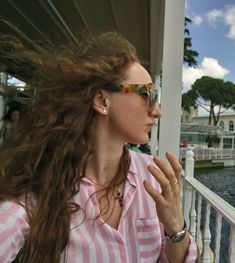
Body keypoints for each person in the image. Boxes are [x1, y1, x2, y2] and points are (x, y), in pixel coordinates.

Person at [0, 28, 197, 262]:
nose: (157, 111)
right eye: (147, 94)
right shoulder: (40, 188)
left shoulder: (152, 176)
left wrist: (175, 227)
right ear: (102, 101)